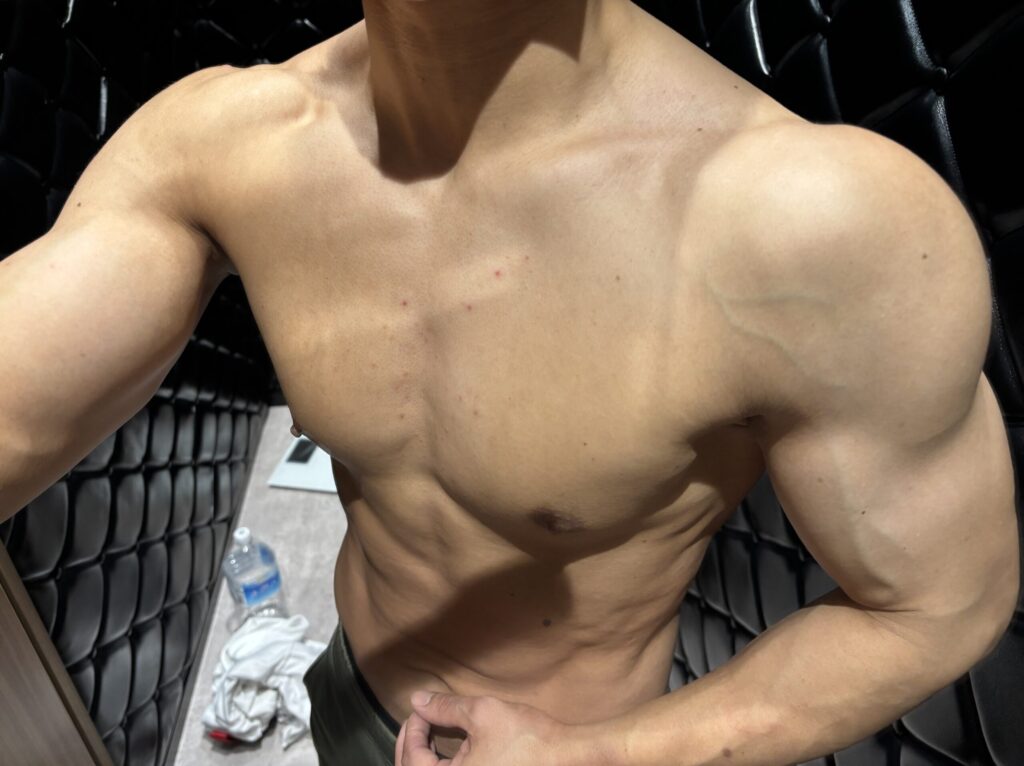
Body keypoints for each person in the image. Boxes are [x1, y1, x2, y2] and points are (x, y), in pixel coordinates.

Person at [0, 1, 1019, 764]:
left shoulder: (813, 223)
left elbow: (940, 606)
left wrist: (602, 757)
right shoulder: (224, 144)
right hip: (350, 689)